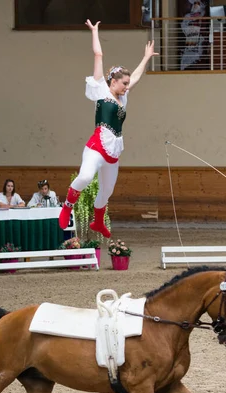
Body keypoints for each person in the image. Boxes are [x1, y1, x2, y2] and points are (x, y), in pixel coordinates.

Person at [58, 19, 158, 238]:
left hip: (113, 152)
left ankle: (98, 222)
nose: (127, 87)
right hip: (96, 147)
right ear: (113, 82)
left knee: (107, 191)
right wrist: (95, 32)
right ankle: (67, 206)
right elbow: (98, 56)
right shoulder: (101, 91)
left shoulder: (123, 96)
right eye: (123, 83)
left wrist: (146, 58)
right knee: (84, 177)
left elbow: (137, 78)